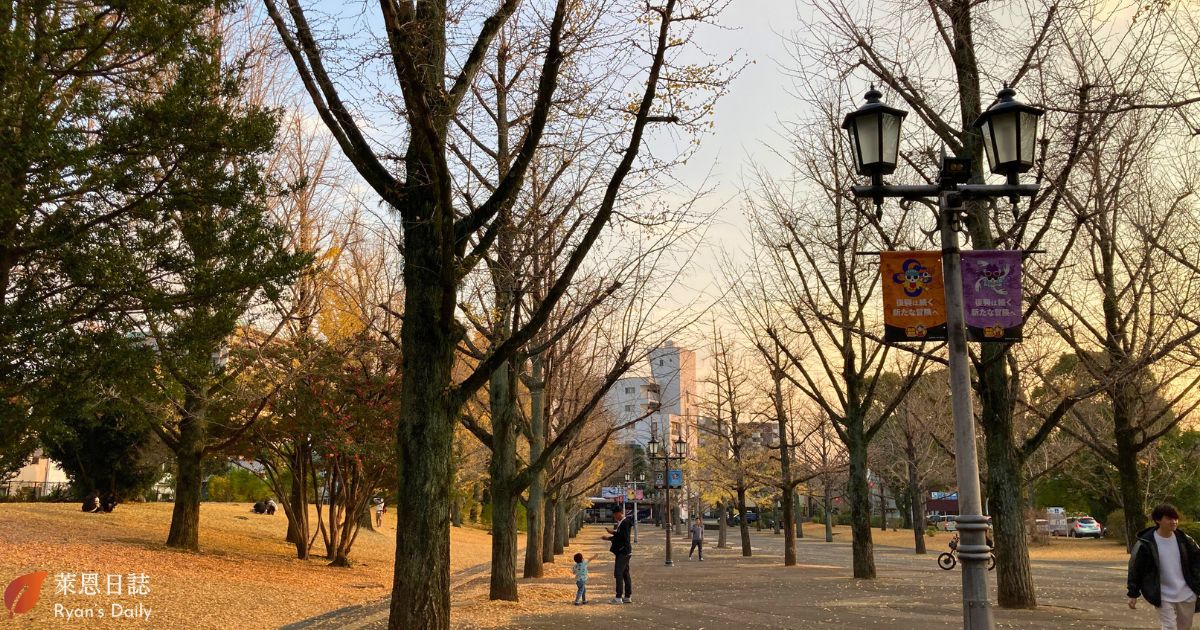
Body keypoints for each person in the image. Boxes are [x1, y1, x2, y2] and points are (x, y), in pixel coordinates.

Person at [1127, 504, 1200, 630]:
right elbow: (1136, 569)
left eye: (1175, 518)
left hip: (1187, 593)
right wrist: (1133, 593)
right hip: (1162, 594)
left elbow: (1197, 563)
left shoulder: (1185, 540)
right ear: (1158, 520)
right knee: (1169, 627)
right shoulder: (1146, 543)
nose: (1174, 522)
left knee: (1185, 627)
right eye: (1169, 518)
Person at [601, 506, 634, 604]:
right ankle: (627, 596)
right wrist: (613, 532)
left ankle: (618, 597)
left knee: (618, 573)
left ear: (620, 513)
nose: (615, 517)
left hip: (623, 552)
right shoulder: (623, 523)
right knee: (625, 573)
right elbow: (620, 534)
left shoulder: (625, 523)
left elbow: (623, 538)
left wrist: (609, 538)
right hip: (625, 551)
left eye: (615, 515)